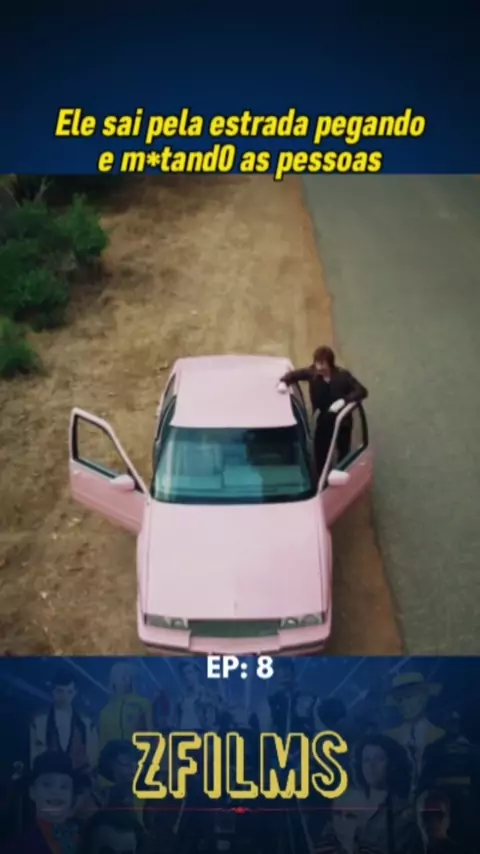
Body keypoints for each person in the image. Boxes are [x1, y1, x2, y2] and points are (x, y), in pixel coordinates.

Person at [278, 346, 368, 478]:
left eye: (322, 363)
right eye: (317, 363)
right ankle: (322, 477)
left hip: (341, 421)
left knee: (343, 451)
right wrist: (284, 382)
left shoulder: (343, 376)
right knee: (320, 452)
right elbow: (295, 375)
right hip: (323, 419)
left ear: (330, 363)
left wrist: (344, 401)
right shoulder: (313, 374)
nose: (319, 367)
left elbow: (361, 391)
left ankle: (341, 472)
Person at [352, 733, 424, 854]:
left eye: (379, 759)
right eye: (366, 760)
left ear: (393, 764)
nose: (372, 765)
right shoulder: (349, 808)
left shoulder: (405, 816)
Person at [5, 751, 80, 854]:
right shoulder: (15, 847)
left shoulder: (87, 839)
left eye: (64, 786)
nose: (56, 792)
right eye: (47, 785)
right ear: (32, 791)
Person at [30, 667, 97, 774]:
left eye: (69, 692)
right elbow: (34, 754)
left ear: (75, 692)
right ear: (52, 691)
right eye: (60, 691)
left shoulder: (86, 721)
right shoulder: (39, 720)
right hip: (49, 775)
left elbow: (93, 754)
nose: (64, 697)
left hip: (79, 776)